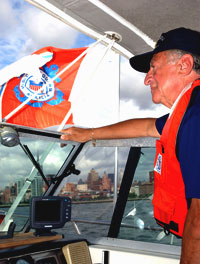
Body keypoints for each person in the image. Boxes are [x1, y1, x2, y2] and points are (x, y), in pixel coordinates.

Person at [61, 27, 200, 264]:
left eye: (154, 68)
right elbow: (146, 127)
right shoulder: (187, 114)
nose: (147, 78)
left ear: (184, 65)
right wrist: (89, 133)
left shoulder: (196, 118)